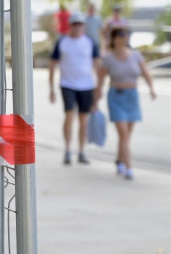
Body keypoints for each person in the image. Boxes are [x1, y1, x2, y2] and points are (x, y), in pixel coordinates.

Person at [95, 27, 158, 180]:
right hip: (116, 97)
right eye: (120, 36)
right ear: (114, 39)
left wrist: (151, 88)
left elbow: (145, 72)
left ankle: (119, 160)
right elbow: (100, 81)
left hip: (132, 96)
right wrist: (95, 101)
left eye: (126, 36)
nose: (124, 39)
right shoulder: (108, 59)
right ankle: (129, 167)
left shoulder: (136, 55)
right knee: (123, 134)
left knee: (126, 135)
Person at [49, 12, 100, 165]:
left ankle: (82, 151)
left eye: (80, 24)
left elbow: (98, 65)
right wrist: (51, 88)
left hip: (86, 85)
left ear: (84, 26)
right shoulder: (62, 42)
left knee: (83, 119)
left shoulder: (90, 42)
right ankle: (67, 149)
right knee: (69, 115)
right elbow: (52, 65)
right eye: (74, 24)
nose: (77, 27)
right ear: (70, 26)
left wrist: (99, 87)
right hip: (67, 84)